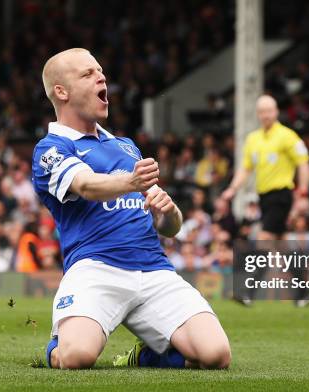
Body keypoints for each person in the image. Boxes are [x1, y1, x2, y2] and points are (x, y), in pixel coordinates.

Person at [31, 48, 230, 370]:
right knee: (77, 357)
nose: (101, 77)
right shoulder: (51, 148)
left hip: (154, 268)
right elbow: (86, 185)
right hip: (96, 268)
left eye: (100, 71)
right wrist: (131, 181)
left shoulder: (125, 146)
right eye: (87, 74)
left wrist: (168, 212)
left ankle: (147, 354)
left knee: (216, 355)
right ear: (61, 91)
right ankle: (57, 347)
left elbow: (170, 228)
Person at [222, 94, 309, 306]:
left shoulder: (287, 136)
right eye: (261, 111)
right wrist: (232, 188)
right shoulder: (253, 139)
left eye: (269, 111)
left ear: (276, 111)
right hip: (264, 197)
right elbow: (245, 169)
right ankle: (304, 293)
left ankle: (247, 293)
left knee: (263, 240)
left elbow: (304, 163)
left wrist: (304, 193)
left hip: (281, 195)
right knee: (282, 247)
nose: (265, 115)